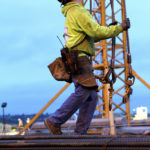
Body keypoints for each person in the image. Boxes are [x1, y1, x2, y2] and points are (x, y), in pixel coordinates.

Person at [44, 0, 130, 135]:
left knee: (91, 96)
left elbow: (89, 35)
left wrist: (109, 28)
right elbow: (96, 32)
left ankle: (80, 132)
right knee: (84, 90)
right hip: (79, 57)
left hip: (75, 56)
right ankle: (55, 121)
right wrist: (120, 28)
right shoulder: (78, 11)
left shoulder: (71, 11)